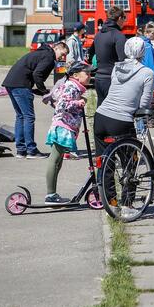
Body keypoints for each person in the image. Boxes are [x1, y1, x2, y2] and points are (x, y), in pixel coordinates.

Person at [3, 42, 69, 159]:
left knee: (21, 116)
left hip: (11, 82)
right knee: (28, 117)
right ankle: (31, 150)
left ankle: (21, 150)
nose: (62, 58)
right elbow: (37, 74)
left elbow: (33, 73)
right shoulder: (48, 57)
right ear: (56, 48)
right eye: (62, 54)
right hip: (21, 84)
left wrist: (41, 91)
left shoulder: (41, 53)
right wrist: (44, 92)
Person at [94, 38, 154, 157]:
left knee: (104, 159)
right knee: (129, 161)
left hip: (101, 115)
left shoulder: (116, 68)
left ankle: (103, 175)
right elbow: (144, 103)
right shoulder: (147, 73)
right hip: (122, 120)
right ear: (143, 52)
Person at [44, 62, 93, 204]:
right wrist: (78, 103)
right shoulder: (71, 86)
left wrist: (79, 100)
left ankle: (52, 194)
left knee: (58, 161)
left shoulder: (75, 88)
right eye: (87, 73)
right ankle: (50, 195)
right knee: (55, 160)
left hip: (65, 126)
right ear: (76, 75)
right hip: (62, 126)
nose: (90, 76)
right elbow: (61, 104)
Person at [88, 5, 127, 107]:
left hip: (98, 78)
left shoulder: (99, 34)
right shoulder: (118, 35)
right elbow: (122, 60)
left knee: (100, 108)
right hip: (112, 79)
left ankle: (97, 123)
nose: (124, 22)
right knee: (113, 110)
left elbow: (90, 54)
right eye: (124, 18)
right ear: (119, 18)